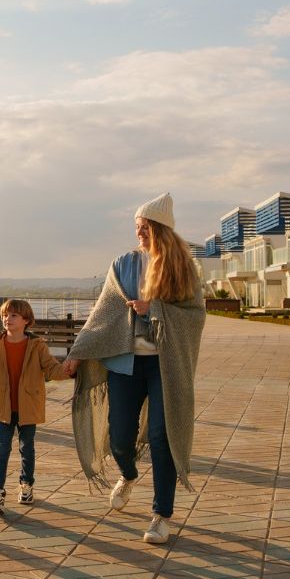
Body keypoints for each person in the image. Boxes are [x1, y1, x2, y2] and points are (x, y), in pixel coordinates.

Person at [62, 193, 206, 545]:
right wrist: (77, 353)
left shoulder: (184, 268)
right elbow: (103, 313)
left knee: (162, 436)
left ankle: (161, 515)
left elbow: (194, 316)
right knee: (120, 436)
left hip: (164, 366)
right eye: (137, 227)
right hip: (125, 364)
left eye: (145, 228)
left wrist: (153, 309)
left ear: (160, 230)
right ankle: (127, 474)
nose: (139, 233)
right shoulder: (123, 264)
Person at [0, 298, 73, 514]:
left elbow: (52, 370)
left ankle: (26, 485)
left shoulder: (37, 345)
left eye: (13, 315)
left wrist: (68, 370)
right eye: (5, 315)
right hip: (4, 408)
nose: (7, 319)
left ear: (26, 320)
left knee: (27, 449)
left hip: (28, 407)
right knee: (0, 450)